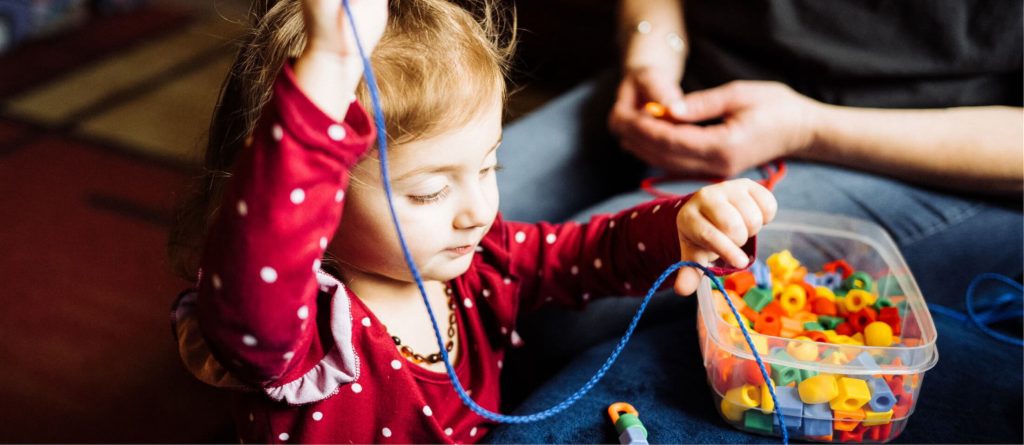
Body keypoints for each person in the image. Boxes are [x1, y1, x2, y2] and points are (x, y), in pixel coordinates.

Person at [167, 0, 778, 442]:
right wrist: (328, 67)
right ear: (315, 197)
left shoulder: (481, 261)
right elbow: (262, 255)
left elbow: (583, 253)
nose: (477, 213)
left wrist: (678, 225)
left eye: (488, 167)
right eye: (430, 192)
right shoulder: (301, 337)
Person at [489, 0, 1022, 442]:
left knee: (553, 312)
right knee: (456, 233)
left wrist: (809, 129)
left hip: (926, 152)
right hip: (690, 82)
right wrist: (650, 55)